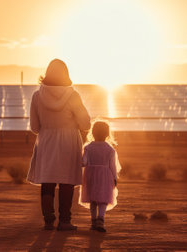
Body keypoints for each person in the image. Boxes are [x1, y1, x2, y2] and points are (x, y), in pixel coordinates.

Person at [27, 59, 91, 231]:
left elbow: (34, 127)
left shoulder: (37, 96)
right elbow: (85, 124)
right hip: (68, 143)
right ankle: (65, 221)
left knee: (47, 181)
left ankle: (48, 220)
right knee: (67, 181)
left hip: (46, 142)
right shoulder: (73, 95)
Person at [79, 120, 121, 232]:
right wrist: (114, 178)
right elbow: (113, 166)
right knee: (103, 199)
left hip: (90, 176)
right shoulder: (110, 149)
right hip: (105, 177)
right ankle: (100, 220)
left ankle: (93, 222)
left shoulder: (88, 147)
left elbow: (84, 162)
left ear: (92, 133)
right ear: (107, 134)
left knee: (92, 199)